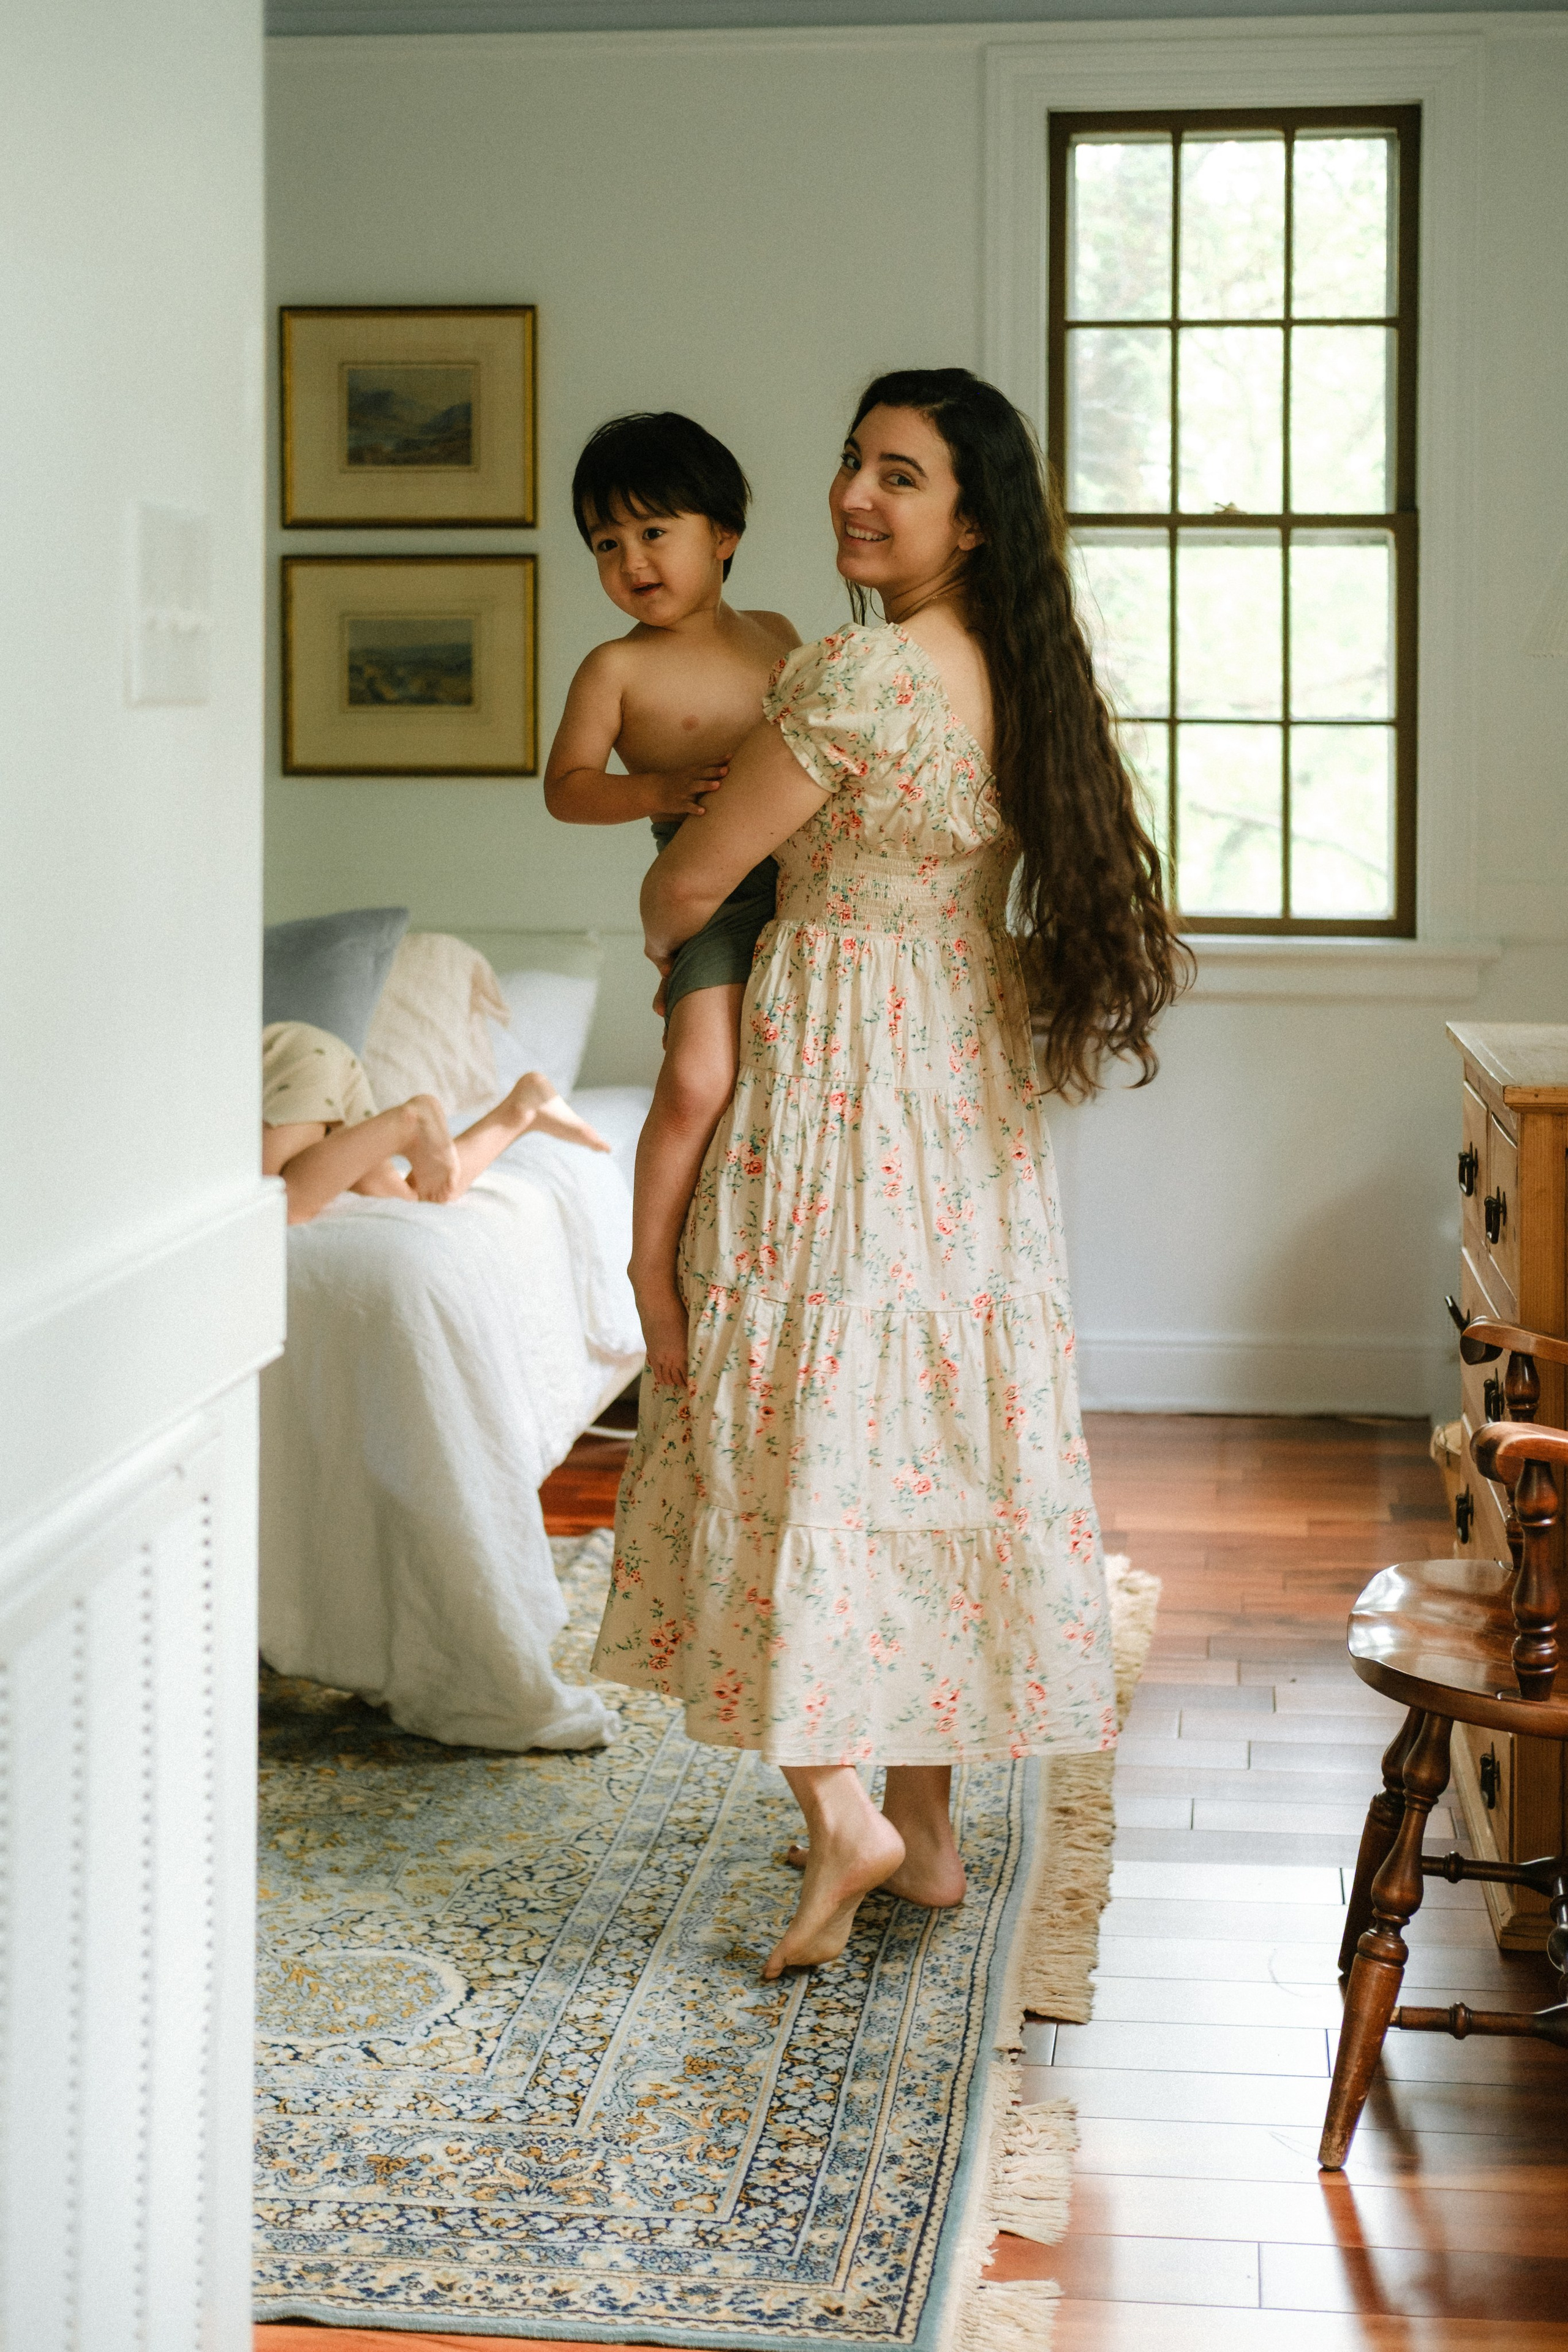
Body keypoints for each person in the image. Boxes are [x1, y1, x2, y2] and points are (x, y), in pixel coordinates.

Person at [592, 368, 1190, 1981]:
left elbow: (692, 889)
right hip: (961, 1065)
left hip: (845, 1057)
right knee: (921, 1421)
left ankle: (848, 1805)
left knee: (803, 1411)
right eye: (854, 463)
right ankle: (924, 1835)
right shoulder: (1019, 675)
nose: (857, 493)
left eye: (900, 476)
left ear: (969, 517)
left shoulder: (860, 675)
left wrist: (676, 903)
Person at [543, 413, 799, 1387]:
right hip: (717, 896)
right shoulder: (618, 668)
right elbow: (567, 788)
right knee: (695, 1081)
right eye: (607, 544)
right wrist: (651, 791)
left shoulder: (775, 635)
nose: (631, 561)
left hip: (814, 880)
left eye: (655, 532)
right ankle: (651, 1271)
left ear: (722, 536)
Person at [262, 1019, 609, 1226]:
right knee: (411, 1199)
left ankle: (410, 1122)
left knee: (273, 1207)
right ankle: (522, 1110)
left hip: (288, 1059)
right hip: (304, 1057)